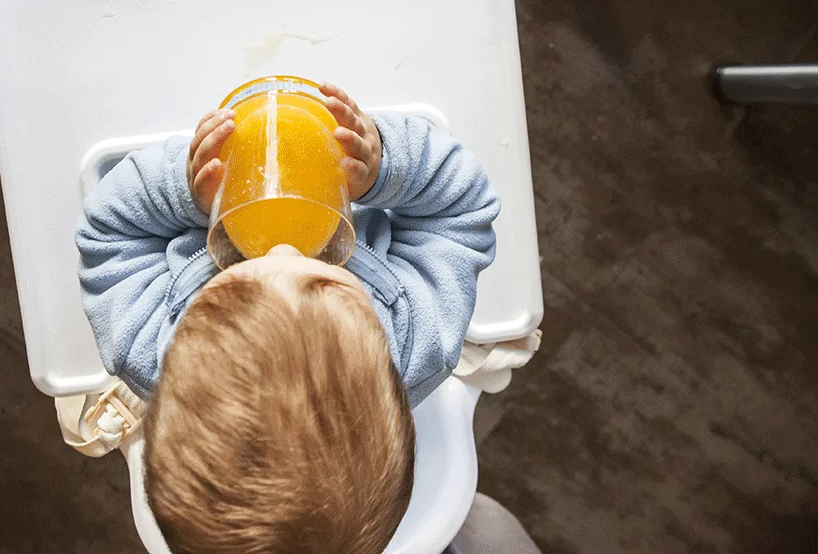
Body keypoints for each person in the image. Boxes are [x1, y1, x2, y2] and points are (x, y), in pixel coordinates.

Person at [76, 83, 500, 554]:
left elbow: (107, 234)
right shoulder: (421, 337)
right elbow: (463, 211)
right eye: (322, 276)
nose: (282, 248)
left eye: (237, 278)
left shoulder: (146, 346)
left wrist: (187, 191)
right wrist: (385, 169)